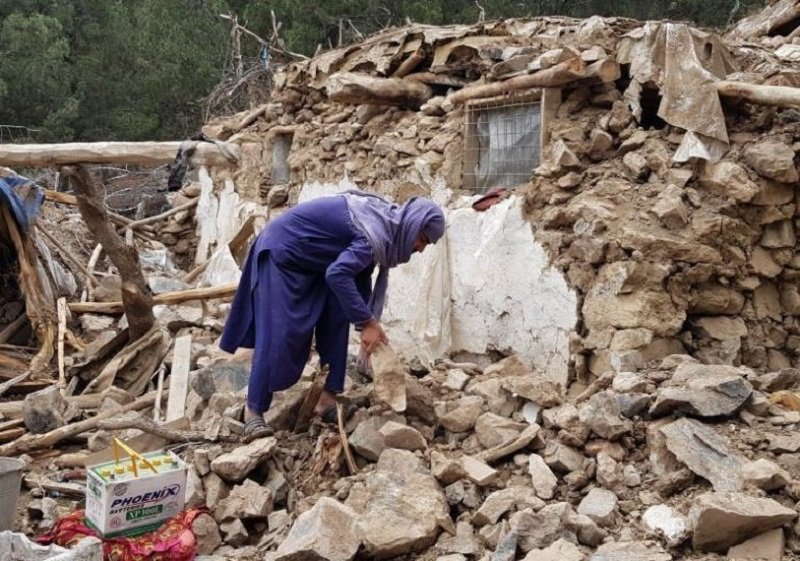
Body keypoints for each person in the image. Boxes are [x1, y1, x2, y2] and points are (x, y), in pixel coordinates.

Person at [219, 191, 446, 441]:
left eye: (426, 245)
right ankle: (253, 412)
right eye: (422, 239)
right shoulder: (374, 232)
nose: (420, 249)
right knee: (278, 334)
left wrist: (366, 324)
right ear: (411, 225)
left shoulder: (383, 229)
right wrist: (367, 322)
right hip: (283, 253)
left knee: (338, 317)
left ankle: (328, 399)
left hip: (316, 262)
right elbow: (339, 274)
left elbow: (358, 277)